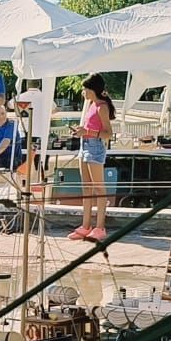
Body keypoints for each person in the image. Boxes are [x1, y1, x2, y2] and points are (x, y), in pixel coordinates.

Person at [69, 74, 115, 241]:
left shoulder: (102, 107)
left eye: (85, 89)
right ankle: (86, 225)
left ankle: (100, 227)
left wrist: (87, 131)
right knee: (86, 188)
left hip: (94, 147)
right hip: (85, 145)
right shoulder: (91, 105)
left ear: (93, 89)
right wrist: (81, 131)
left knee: (99, 189)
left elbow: (108, 133)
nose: (83, 92)